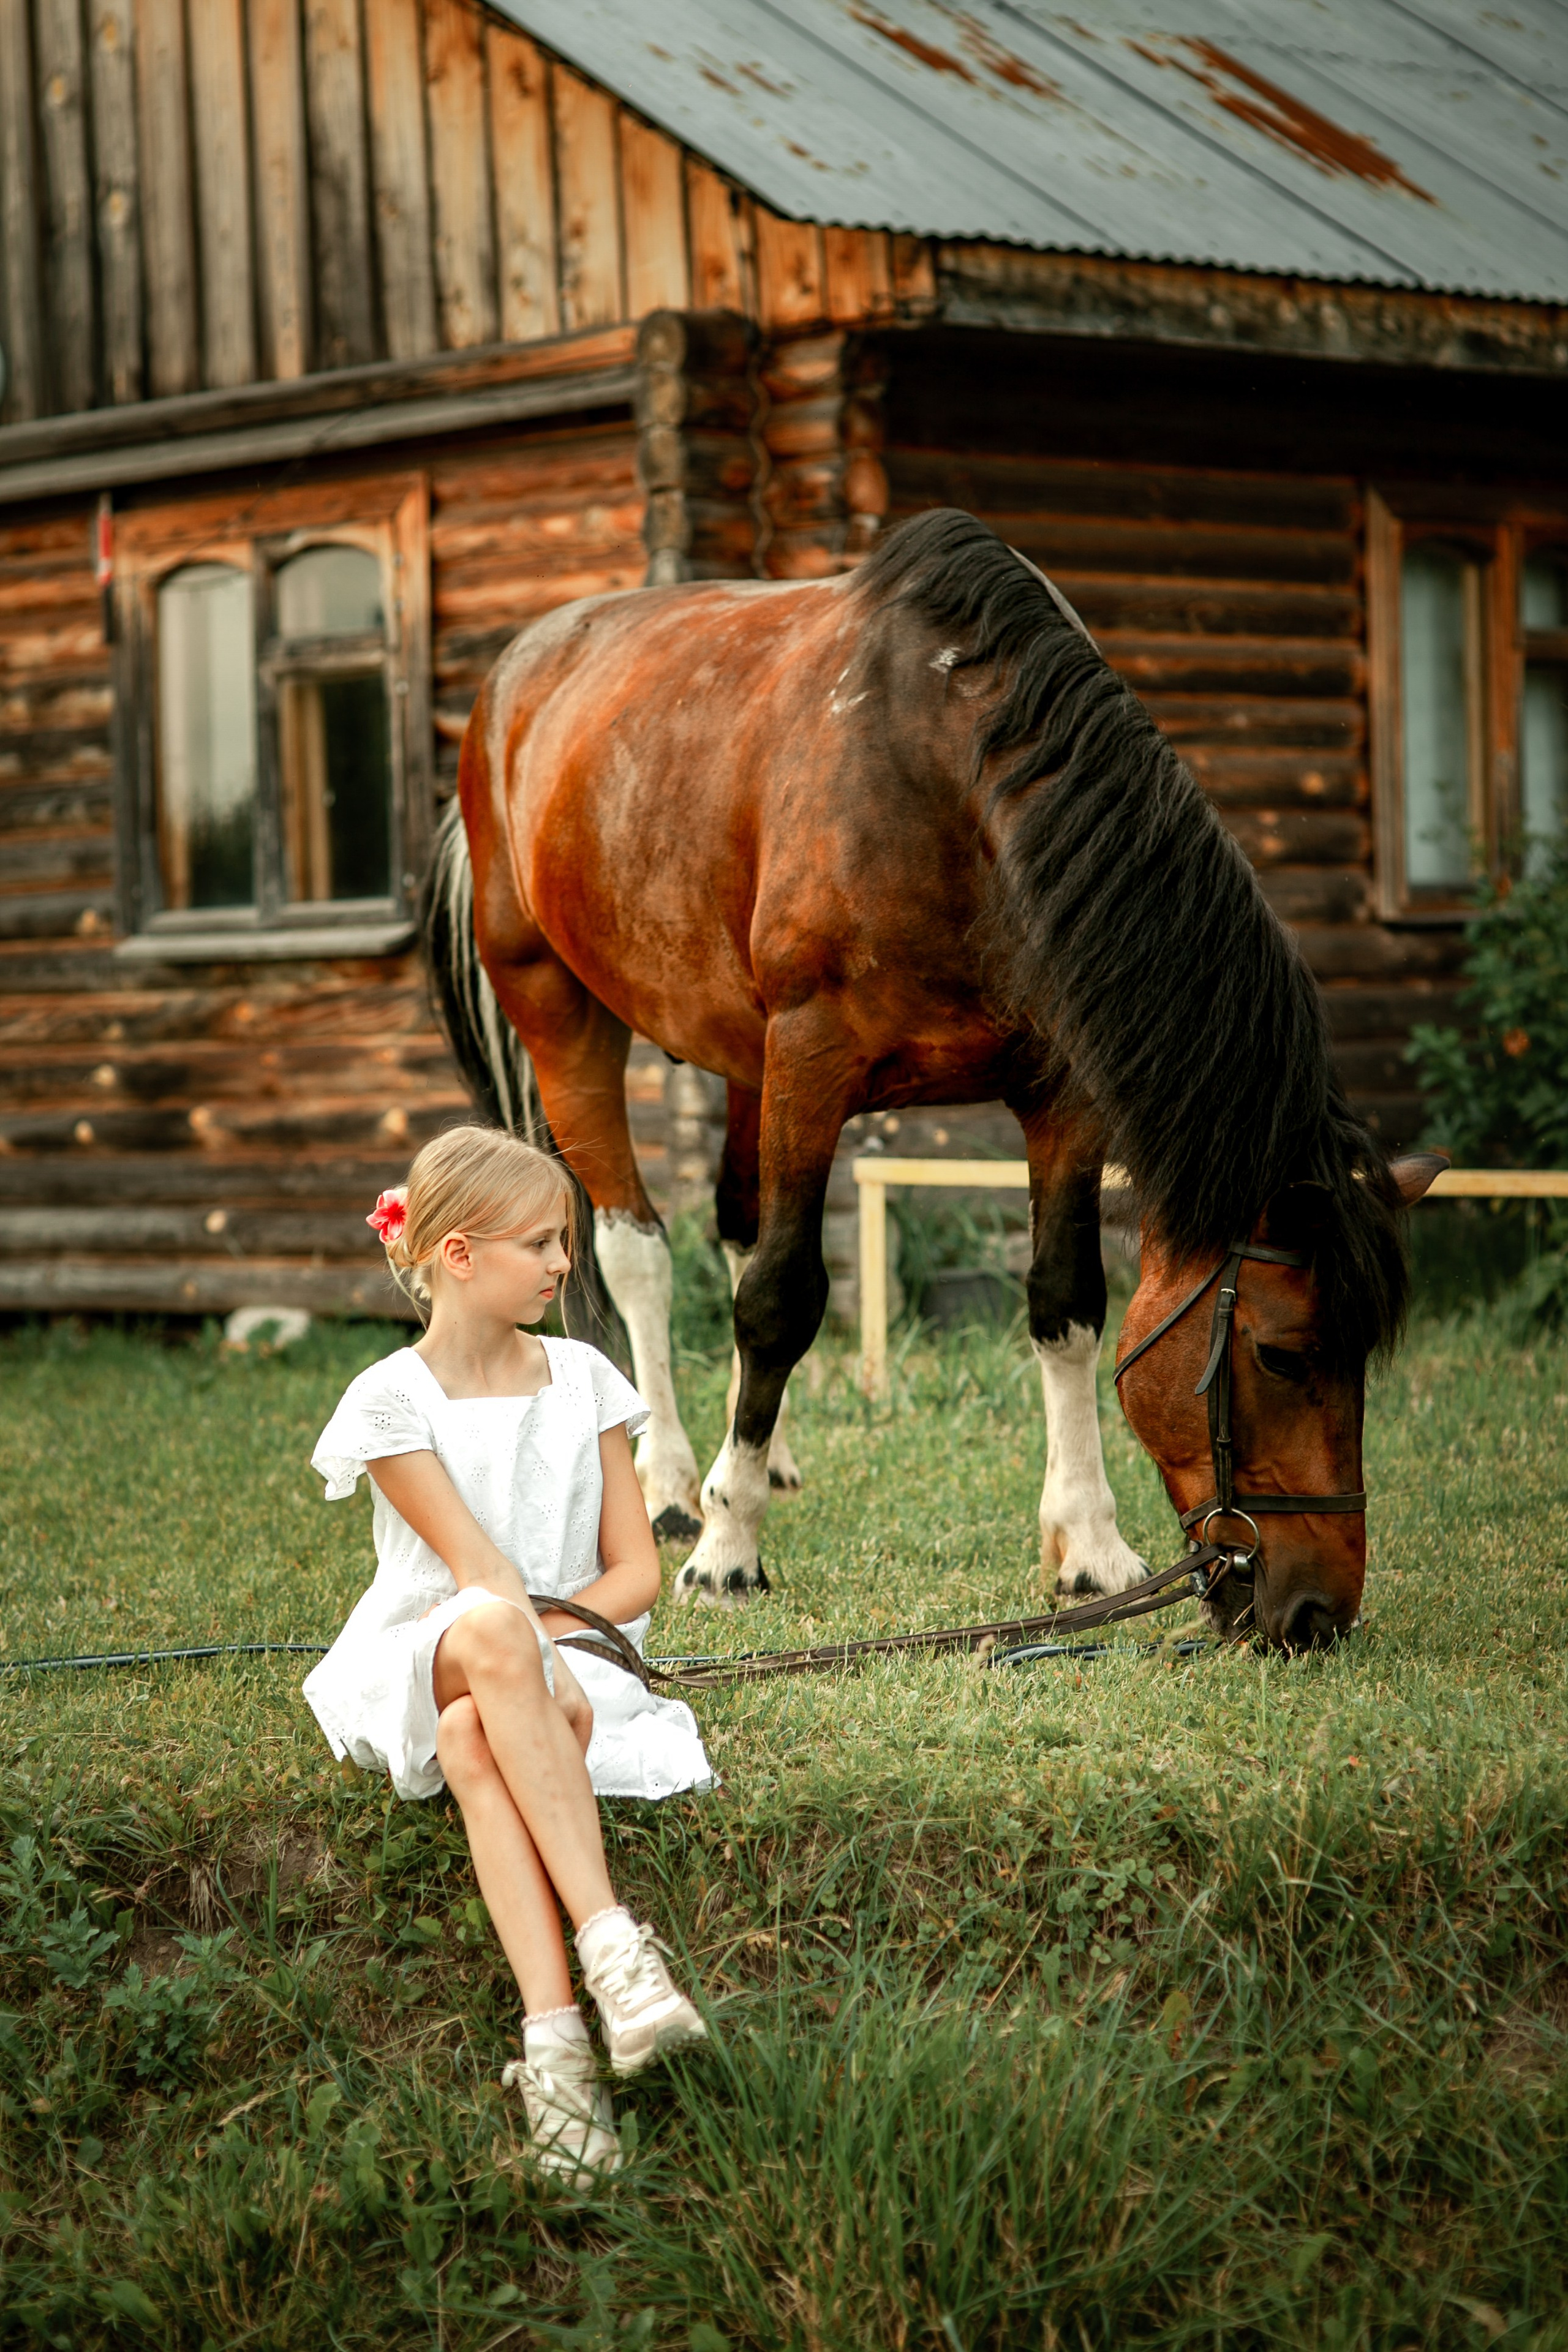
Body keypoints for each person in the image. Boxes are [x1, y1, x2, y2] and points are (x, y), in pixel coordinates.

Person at [303, 1125, 713, 2182]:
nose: (564, 1264)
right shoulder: (390, 1401)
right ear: (459, 1255)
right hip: (432, 1643)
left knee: (472, 1735)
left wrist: (550, 1659)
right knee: (485, 1638)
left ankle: (560, 2056)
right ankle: (615, 1944)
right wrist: (538, 1659)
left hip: (549, 1659)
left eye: (565, 1242)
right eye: (542, 1243)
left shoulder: (585, 1378)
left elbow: (634, 1576)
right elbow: (479, 1571)